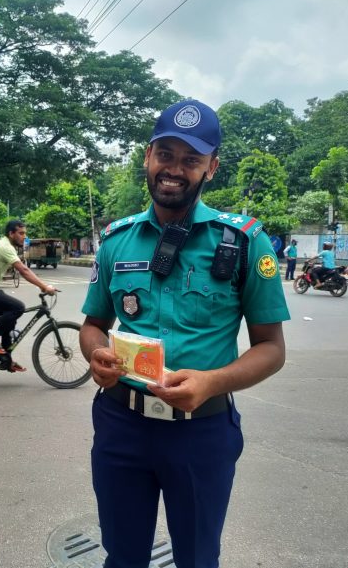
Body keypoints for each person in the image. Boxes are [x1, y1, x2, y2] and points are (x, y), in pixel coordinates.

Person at [79, 99, 289, 568]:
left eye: (191, 159)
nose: (175, 169)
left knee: (197, 557)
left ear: (211, 167)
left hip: (201, 432)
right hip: (121, 427)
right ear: (148, 157)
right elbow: (94, 326)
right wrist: (97, 356)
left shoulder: (243, 241)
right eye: (166, 155)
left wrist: (211, 382)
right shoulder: (117, 240)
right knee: (123, 555)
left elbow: (271, 349)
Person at [0, 220, 56, 372]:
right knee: (18, 307)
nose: (24, 236)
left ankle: (6, 360)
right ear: (11, 234)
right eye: (21, 233)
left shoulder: (6, 245)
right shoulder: (5, 247)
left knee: (9, 322)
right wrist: (44, 286)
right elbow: (24, 270)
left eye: (25, 233)